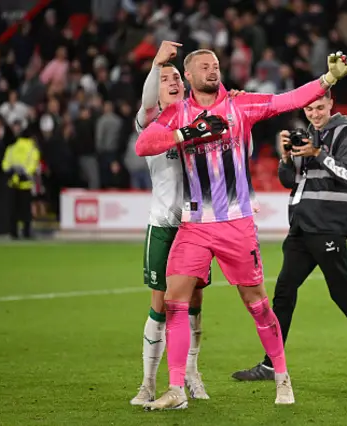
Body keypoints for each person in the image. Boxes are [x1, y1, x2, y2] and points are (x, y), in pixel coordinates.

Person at [135, 48, 347, 410]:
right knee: (175, 301)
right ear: (188, 76)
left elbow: (288, 100)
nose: (212, 70)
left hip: (236, 223)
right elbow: (144, 144)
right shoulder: (178, 114)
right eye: (204, 66)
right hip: (194, 225)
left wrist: (327, 80)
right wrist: (187, 133)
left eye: (216, 65)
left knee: (257, 305)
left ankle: (282, 376)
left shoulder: (241, 105)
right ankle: (175, 388)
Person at [232, 91, 347, 383]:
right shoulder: (307, 134)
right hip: (302, 227)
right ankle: (271, 364)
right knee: (284, 292)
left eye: (320, 108)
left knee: (342, 294)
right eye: (310, 109)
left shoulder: (344, 131)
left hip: (328, 225)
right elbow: (289, 182)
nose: (315, 114)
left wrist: (317, 153)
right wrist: (286, 158)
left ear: (331, 104)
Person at [130, 41, 211, 406]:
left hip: (195, 226)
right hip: (163, 225)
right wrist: (156, 64)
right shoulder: (150, 122)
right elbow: (148, 100)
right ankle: (147, 383)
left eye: (177, 76)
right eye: (166, 79)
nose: (174, 81)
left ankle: (191, 372)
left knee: (194, 302)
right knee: (160, 305)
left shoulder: (196, 118)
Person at [2, 126, 40, 239]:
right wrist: (24, 174)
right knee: (26, 211)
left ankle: (13, 232)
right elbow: (32, 165)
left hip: (13, 183)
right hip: (25, 184)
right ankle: (26, 233)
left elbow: (5, 164)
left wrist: (13, 173)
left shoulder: (12, 147)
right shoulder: (32, 149)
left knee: (13, 210)